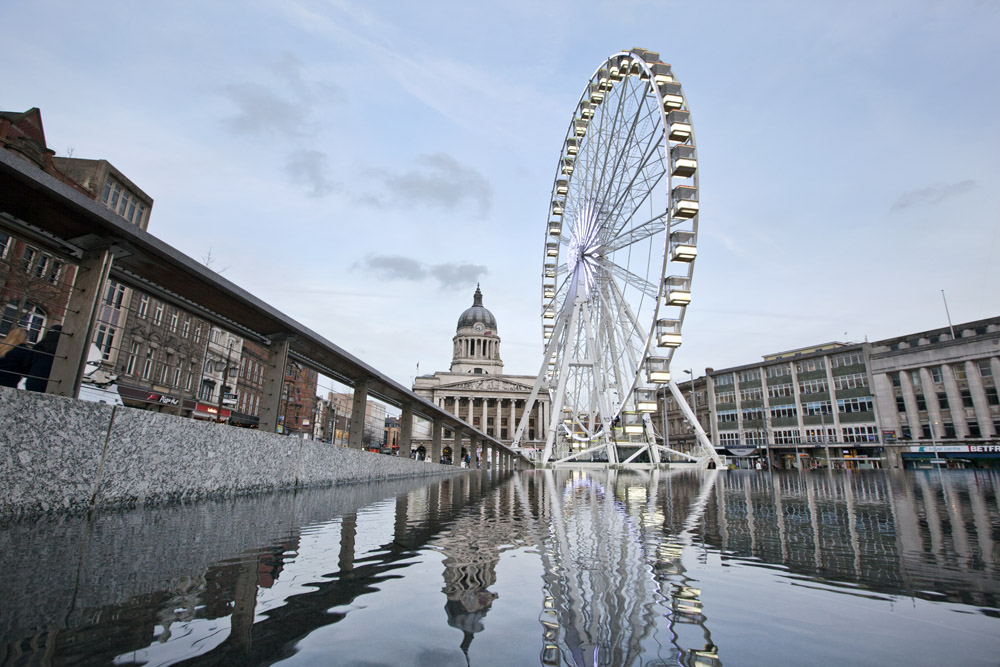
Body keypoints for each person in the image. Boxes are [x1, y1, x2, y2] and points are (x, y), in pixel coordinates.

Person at [26, 325, 62, 392]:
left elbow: (28, 364)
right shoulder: (58, 349)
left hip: (32, 380)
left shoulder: (38, 346)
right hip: (49, 382)